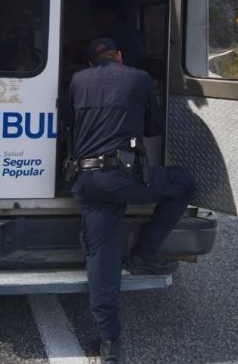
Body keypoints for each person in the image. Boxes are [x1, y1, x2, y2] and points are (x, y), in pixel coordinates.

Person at [66, 37, 196, 364]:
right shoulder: (138, 78)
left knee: (102, 258)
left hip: (88, 182)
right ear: (119, 56)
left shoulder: (78, 80)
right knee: (182, 182)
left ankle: (110, 341)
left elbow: (68, 120)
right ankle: (145, 253)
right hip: (126, 181)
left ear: (91, 63)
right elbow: (153, 128)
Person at [90, 0, 145, 69]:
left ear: (109, 15)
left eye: (96, 15)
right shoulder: (128, 32)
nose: (94, 20)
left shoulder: (124, 35)